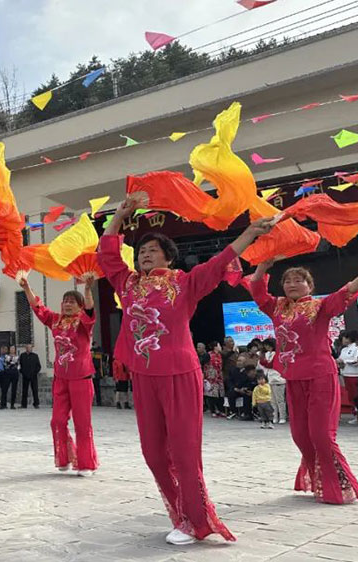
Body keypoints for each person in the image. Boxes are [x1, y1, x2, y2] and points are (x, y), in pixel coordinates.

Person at [98, 193, 276, 545]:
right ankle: (182, 515)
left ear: (168, 256)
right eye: (141, 251)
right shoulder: (128, 283)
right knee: (153, 454)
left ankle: (196, 522)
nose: (144, 254)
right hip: (144, 376)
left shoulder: (183, 282)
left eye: (152, 250)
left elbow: (219, 262)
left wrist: (249, 233)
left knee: (184, 452)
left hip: (180, 373)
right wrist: (118, 216)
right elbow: (107, 256)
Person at [247, 259, 358, 505]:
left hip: (320, 375)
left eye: (298, 280)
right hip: (294, 379)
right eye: (287, 281)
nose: (292, 284)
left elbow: (346, 292)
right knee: (300, 435)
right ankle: (320, 480)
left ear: (309, 286)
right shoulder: (277, 307)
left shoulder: (319, 306)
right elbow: (257, 290)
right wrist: (263, 267)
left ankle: (340, 486)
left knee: (321, 435)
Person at [18, 270, 99, 477]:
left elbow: (90, 309)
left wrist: (87, 289)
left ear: (79, 306)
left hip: (81, 378)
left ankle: (86, 464)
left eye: (72, 302)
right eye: (65, 301)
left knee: (82, 423)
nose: (67, 304)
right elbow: (37, 307)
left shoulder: (84, 322)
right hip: (61, 379)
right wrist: (26, 287)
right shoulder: (55, 320)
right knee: (57, 421)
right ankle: (65, 457)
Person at [337, 330, 358, 423]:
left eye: (345, 338)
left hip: (355, 375)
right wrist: (340, 363)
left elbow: (357, 361)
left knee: (357, 396)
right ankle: (355, 414)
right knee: (351, 396)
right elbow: (341, 361)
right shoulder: (343, 350)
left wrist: (345, 362)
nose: (343, 340)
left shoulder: (357, 349)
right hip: (346, 375)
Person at [260, 339, 287, 424]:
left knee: (280, 400)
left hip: (278, 379)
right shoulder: (267, 354)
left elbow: (270, 364)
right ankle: (274, 416)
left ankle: (282, 417)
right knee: (272, 401)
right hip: (270, 379)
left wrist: (263, 361)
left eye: (267, 345)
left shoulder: (277, 354)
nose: (266, 347)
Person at [202, 342, 224, 417]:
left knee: (220, 394)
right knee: (212, 395)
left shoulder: (220, 355)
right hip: (211, 377)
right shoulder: (208, 355)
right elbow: (202, 363)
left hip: (219, 377)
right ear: (215, 347)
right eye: (219, 345)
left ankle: (220, 410)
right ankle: (213, 410)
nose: (220, 347)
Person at [19, 344, 41, 409]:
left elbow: (38, 366)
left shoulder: (35, 356)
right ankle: (24, 404)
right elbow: (20, 365)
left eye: (30, 347)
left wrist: (34, 373)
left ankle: (36, 404)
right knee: (24, 390)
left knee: (35, 390)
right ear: (26, 348)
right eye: (28, 347)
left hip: (33, 376)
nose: (29, 349)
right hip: (25, 376)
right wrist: (22, 372)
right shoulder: (22, 355)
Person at [1, 345, 20, 409]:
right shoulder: (6, 356)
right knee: (4, 389)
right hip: (7, 373)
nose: (12, 350)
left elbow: (18, 365)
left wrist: (11, 364)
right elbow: (5, 364)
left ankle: (12, 404)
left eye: (13, 348)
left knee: (14, 389)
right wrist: (11, 364)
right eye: (11, 348)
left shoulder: (17, 357)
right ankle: (3, 404)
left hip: (15, 373)